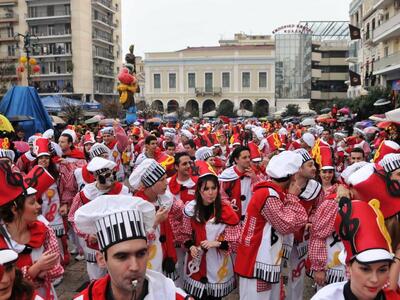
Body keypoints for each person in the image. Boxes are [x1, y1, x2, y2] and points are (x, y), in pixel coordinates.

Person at [73, 196, 191, 300]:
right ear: (101, 259)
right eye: (122, 257)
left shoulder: (170, 295)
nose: (135, 267)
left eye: (141, 254)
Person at [235, 151, 308, 300]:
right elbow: (288, 224)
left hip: (263, 261)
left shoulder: (272, 192)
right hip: (257, 262)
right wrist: (293, 197)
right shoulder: (268, 194)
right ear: (291, 176)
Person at [311, 197, 399, 299]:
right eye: (365, 269)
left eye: (382, 270)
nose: (375, 279)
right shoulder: (326, 298)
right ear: (348, 267)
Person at [0, 161, 64, 299]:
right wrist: (35, 269)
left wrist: (27, 273)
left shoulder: (44, 231)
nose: (38, 207)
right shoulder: (2, 239)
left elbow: (57, 270)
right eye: (32, 202)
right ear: (15, 208)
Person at [181, 161, 240, 300]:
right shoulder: (191, 209)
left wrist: (217, 243)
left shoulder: (226, 210)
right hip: (196, 264)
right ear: (199, 190)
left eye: (213, 188)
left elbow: (236, 239)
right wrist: (191, 247)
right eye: (206, 189)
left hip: (217, 263)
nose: (211, 192)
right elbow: (184, 233)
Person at [68, 157, 131, 280]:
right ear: (96, 176)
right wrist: (87, 235)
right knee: (97, 279)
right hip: (95, 245)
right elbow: (72, 217)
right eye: (106, 175)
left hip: (119, 241)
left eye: (112, 173)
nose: (111, 177)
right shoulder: (84, 194)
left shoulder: (124, 191)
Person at [219, 146, 261, 221]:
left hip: (251, 218)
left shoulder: (255, 172)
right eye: (244, 157)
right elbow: (221, 196)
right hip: (233, 217)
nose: (248, 160)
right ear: (236, 159)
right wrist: (228, 205)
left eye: (249, 157)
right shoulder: (227, 175)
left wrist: (254, 178)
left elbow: (260, 193)